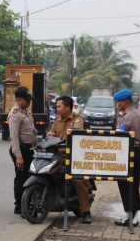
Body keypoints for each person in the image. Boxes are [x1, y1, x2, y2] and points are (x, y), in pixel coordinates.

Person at [46, 95, 93, 224]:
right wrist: (50, 134)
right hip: (58, 156)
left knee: (77, 179)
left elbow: (75, 133)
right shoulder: (57, 120)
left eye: (59, 106)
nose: (57, 109)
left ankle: (86, 211)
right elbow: (52, 133)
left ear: (67, 107)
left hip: (73, 156)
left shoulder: (77, 119)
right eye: (56, 106)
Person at [113, 89, 140, 227]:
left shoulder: (133, 116)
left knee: (130, 184)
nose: (116, 105)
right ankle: (129, 215)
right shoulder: (127, 115)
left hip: (132, 153)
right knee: (126, 183)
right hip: (127, 153)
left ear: (125, 102)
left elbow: (134, 138)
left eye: (118, 102)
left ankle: (133, 216)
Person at [7, 87, 37, 215]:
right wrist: (18, 156)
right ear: (18, 99)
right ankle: (19, 205)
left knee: (28, 176)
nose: (29, 102)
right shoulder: (15, 114)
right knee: (21, 178)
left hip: (29, 148)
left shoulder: (26, 111)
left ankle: (26, 202)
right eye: (27, 99)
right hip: (21, 149)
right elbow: (14, 137)